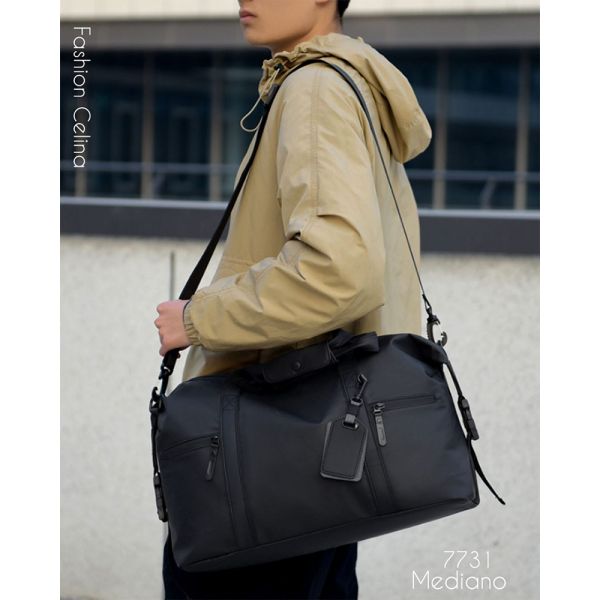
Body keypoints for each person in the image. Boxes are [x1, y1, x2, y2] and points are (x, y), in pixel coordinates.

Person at [153, 0, 432, 597]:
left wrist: (197, 318)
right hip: (322, 449)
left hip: (270, 455)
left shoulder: (315, 89)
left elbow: (337, 269)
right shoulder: (348, 85)